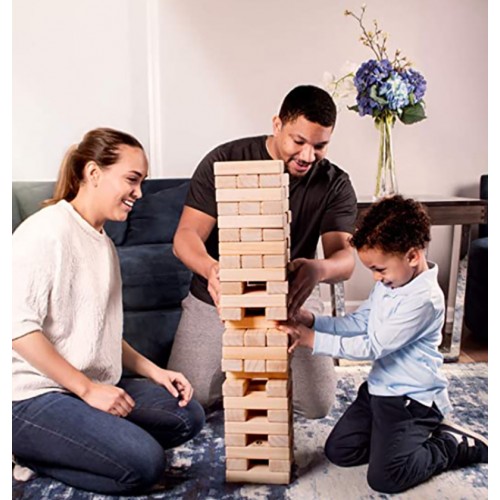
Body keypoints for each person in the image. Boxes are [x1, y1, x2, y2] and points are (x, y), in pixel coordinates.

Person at [12, 128, 205, 495]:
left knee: (187, 415)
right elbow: (17, 329)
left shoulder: (103, 245)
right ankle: (27, 451)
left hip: (84, 387)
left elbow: (101, 332)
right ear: (93, 173)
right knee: (144, 464)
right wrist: (87, 390)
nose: (139, 193)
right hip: (29, 397)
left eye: (142, 182)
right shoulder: (45, 233)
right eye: (132, 180)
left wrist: (156, 371)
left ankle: (80, 440)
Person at [169, 85, 358, 418]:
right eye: (298, 142)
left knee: (316, 405)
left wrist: (317, 269)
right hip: (217, 295)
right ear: (277, 125)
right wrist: (212, 269)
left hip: (290, 296)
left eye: (320, 146)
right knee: (190, 400)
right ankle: (242, 370)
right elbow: (185, 237)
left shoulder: (334, 182)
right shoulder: (223, 160)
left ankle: (259, 371)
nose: (307, 156)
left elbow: (344, 259)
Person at [281, 195, 488, 494]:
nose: (377, 278)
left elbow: (372, 346)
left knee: (386, 478)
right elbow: (359, 323)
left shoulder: (424, 300)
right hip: (379, 391)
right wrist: (311, 320)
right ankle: (391, 440)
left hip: (411, 401)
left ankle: (449, 444)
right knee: (340, 452)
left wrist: (309, 339)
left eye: (380, 269)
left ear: (412, 256)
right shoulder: (390, 285)